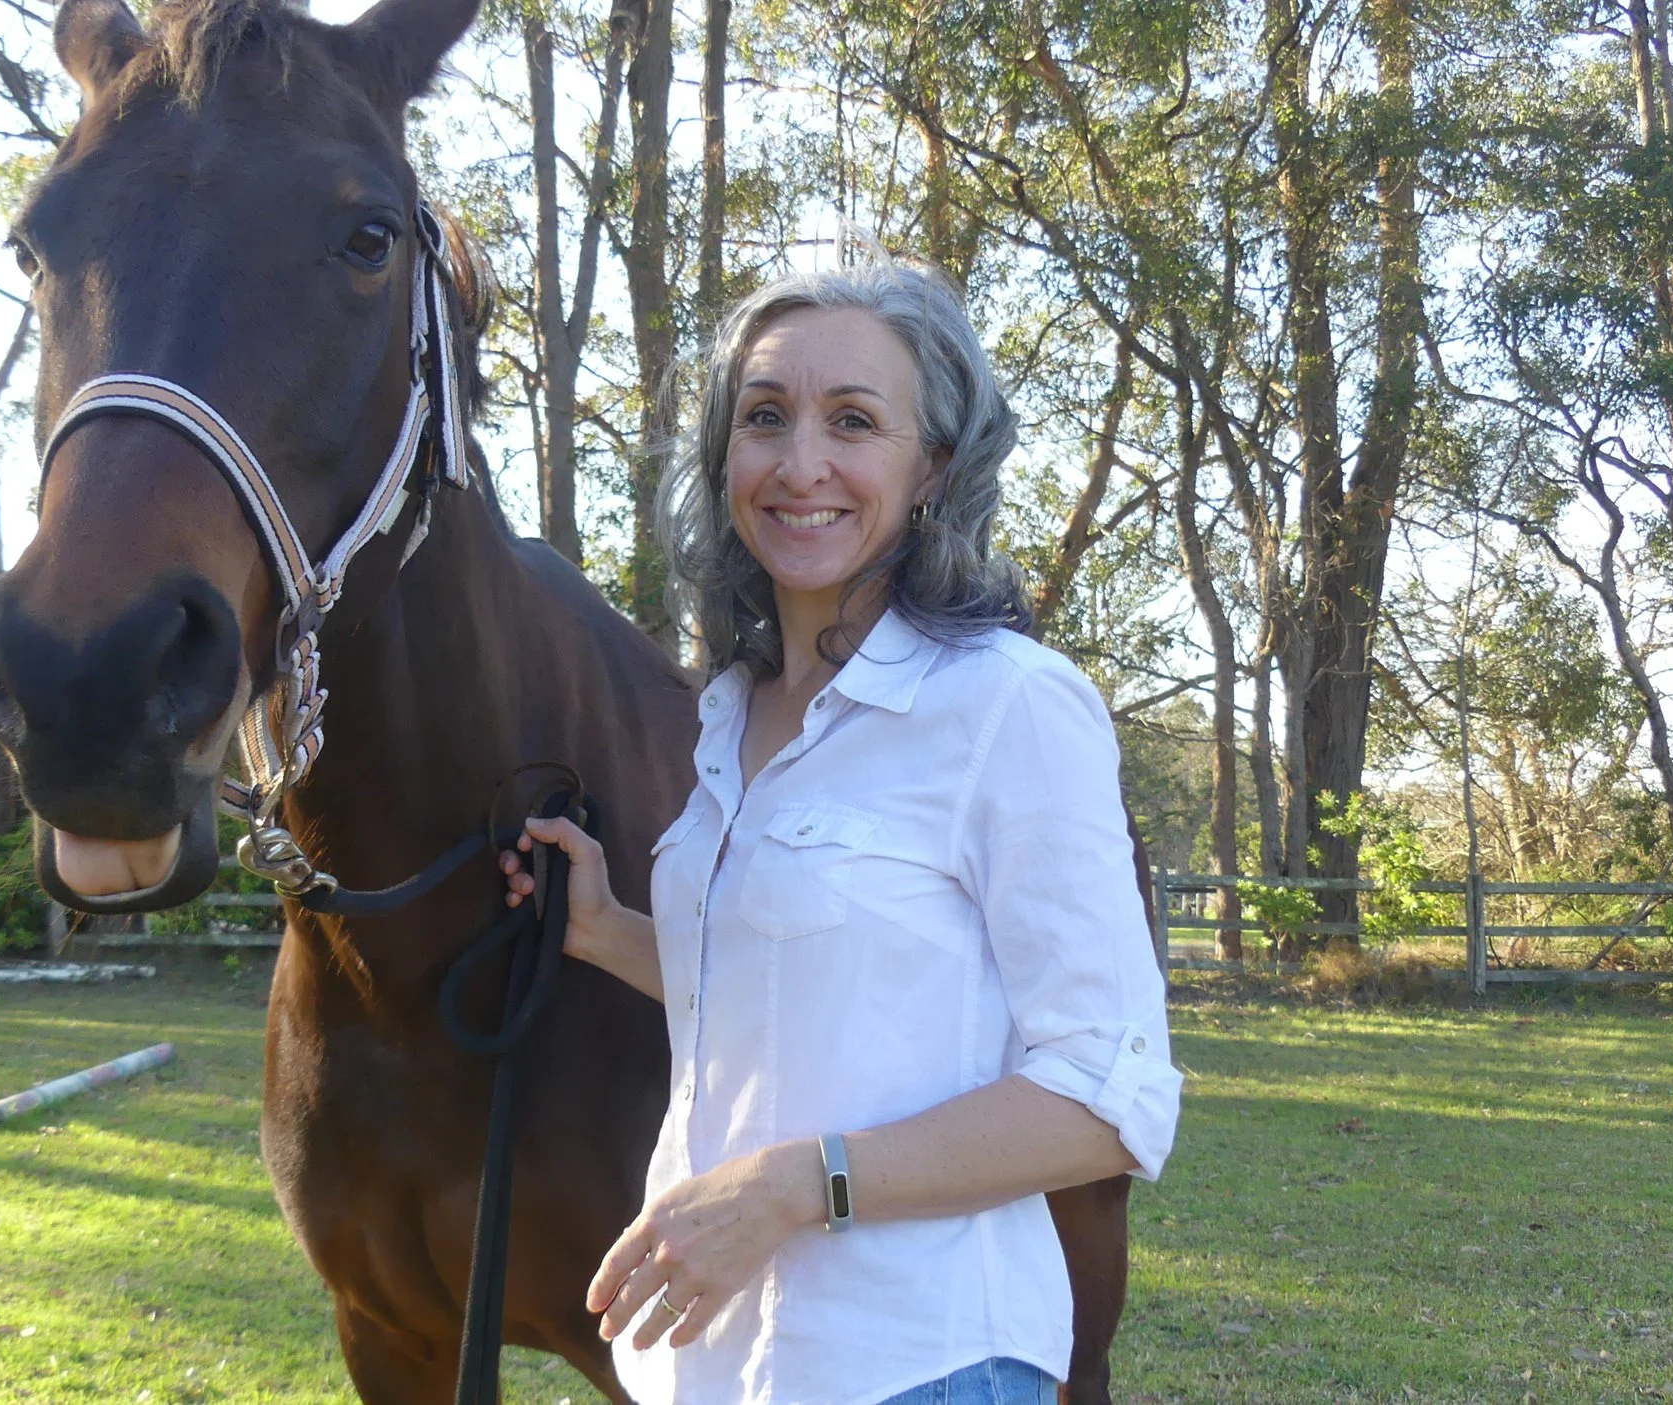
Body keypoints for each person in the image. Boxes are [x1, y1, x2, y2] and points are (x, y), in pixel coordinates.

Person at [503, 261, 1181, 1405]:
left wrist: (789, 1189)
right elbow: (804, 990)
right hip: (707, 1366)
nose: (800, 463)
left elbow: (1108, 1097)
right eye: (764, 416)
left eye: (853, 421)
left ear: (935, 467)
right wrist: (605, 929)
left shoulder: (1007, 704)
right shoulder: (731, 710)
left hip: (920, 1365)